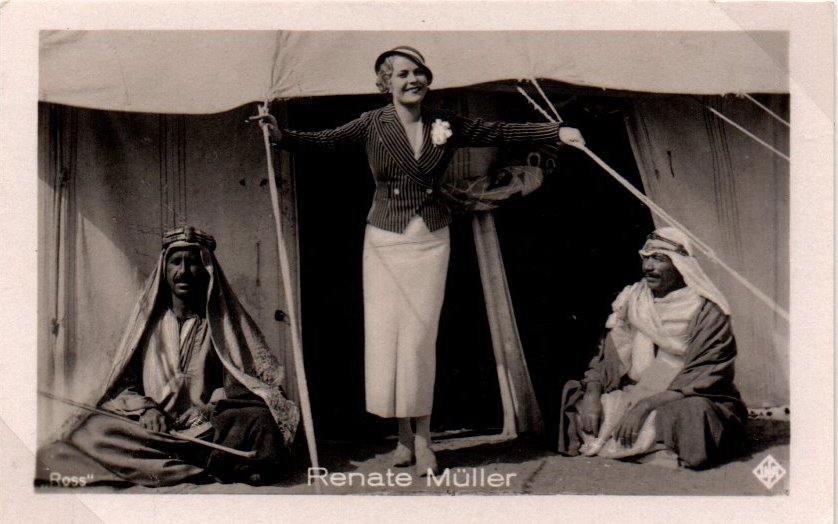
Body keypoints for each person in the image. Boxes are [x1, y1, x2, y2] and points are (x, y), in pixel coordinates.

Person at [255, 46, 585, 475]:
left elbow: (499, 130)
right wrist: (280, 135)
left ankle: (425, 440)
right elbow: (326, 140)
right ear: (385, 83)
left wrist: (556, 132)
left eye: (418, 73)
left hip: (430, 238)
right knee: (387, 339)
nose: (413, 80)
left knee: (418, 339)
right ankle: (403, 437)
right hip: (384, 240)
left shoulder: (444, 123)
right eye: (402, 74)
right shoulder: (372, 123)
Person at [37, 226, 299, 486]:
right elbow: (123, 382)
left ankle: (173, 465)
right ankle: (204, 466)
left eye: (193, 263)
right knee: (94, 429)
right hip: (154, 430)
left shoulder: (222, 325)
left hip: (208, 431)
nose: (183, 271)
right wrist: (147, 410)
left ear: (207, 270)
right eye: (176, 262)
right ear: (164, 269)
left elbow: (245, 384)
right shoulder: (147, 324)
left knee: (261, 421)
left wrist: (211, 409)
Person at [558, 227, 747, 469]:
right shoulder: (634, 299)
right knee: (575, 398)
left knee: (693, 413)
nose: (648, 267)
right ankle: (656, 447)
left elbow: (705, 375)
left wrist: (645, 406)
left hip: (681, 395)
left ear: (679, 265)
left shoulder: (708, 311)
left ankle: (653, 443)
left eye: (658, 259)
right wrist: (593, 395)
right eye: (646, 258)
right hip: (634, 391)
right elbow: (607, 359)